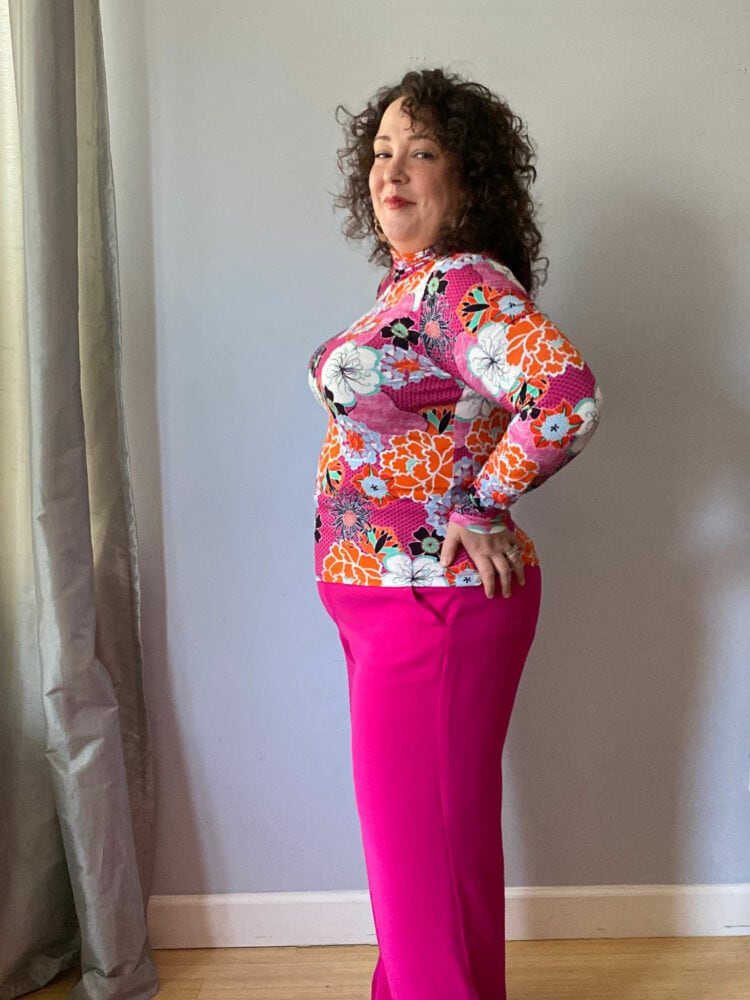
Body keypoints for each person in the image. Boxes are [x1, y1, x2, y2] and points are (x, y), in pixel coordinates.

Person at [308, 67, 603, 1000]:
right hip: (392, 605)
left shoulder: (458, 284)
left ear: (469, 178)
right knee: (433, 859)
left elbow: (564, 395)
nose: (391, 171)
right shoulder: (413, 285)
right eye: (382, 150)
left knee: (419, 866)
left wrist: (479, 506)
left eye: (422, 151)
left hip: (428, 608)